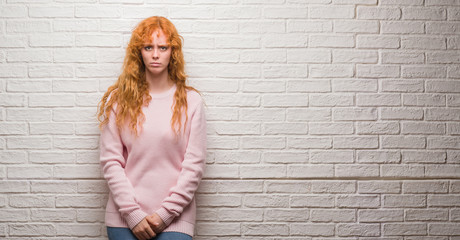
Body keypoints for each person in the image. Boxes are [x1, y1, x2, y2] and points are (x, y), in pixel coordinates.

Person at [97, 16, 207, 240]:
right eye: (148, 47)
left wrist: (165, 214)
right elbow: (111, 162)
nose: (155, 54)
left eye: (163, 47)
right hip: (124, 220)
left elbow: (194, 166)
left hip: (175, 220)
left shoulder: (192, 101)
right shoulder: (119, 101)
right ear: (139, 52)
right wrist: (133, 214)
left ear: (172, 52)